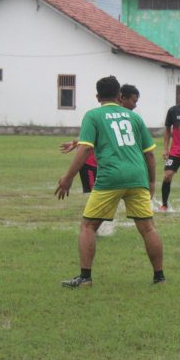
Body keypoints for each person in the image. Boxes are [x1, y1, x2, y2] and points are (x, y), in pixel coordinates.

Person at [55, 76, 164, 287]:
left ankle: (85, 278)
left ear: (97, 97)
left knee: (87, 226)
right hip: (137, 177)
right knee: (148, 228)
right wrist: (151, 183)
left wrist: (67, 178)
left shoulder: (93, 115)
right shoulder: (134, 118)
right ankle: (159, 277)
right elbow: (149, 154)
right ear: (120, 96)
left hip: (110, 178)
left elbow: (87, 149)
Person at [60, 84, 141, 193]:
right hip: (92, 162)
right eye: (134, 101)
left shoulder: (126, 117)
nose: (135, 105)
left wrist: (75, 142)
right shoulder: (107, 114)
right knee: (95, 196)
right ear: (122, 98)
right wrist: (77, 143)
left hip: (107, 165)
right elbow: (92, 138)